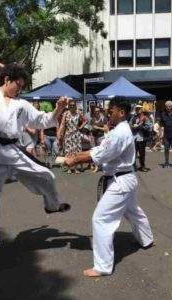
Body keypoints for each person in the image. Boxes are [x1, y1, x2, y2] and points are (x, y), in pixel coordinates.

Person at [0, 56, 70, 271]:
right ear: (7, 79)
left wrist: (58, 109)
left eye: (22, 87)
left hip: (13, 151)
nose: (20, 89)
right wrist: (7, 66)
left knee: (47, 175)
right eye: (18, 84)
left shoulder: (22, 104)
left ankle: (52, 205)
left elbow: (43, 121)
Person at [65, 99, 154, 277]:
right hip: (125, 178)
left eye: (110, 110)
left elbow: (102, 154)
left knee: (101, 219)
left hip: (120, 181)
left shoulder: (120, 133)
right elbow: (99, 149)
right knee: (133, 211)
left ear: (121, 112)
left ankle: (103, 266)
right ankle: (147, 239)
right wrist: (76, 155)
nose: (107, 113)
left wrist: (75, 159)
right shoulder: (119, 130)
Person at [58, 100, 86, 174]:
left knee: (76, 151)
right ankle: (69, 168)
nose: (72, 106)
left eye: (73, 105)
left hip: (76, 135)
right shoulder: (66, 114)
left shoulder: (78, 113)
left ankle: (76, 168)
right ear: (68, 106)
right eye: (71, 105)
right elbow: (62, 124)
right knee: (68, 151)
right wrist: (60, 133)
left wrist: (80, 127)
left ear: (75, 105)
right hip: (68, 135)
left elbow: (85, 120)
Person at [129, 105, 152, 172]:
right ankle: (133, 166)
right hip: (134, 137)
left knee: (142, 154)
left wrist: (141, 127)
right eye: (136, 109)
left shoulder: (145, 117)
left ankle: (142, 166)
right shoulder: (133, 117)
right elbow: (130, 124)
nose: (137, 110)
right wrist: (133, 126)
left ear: (141, 110)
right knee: (133, 153)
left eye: (139, 109)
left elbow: (149, 126)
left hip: (142, 137)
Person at [160, 101, 172, 168]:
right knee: (166, 149)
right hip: (166, 135)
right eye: (166, 106)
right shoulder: (162, 114)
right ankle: (166, 162)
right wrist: (161, 134)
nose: (168, 107)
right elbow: (161, 125)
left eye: (169, 106)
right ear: (165, 106)